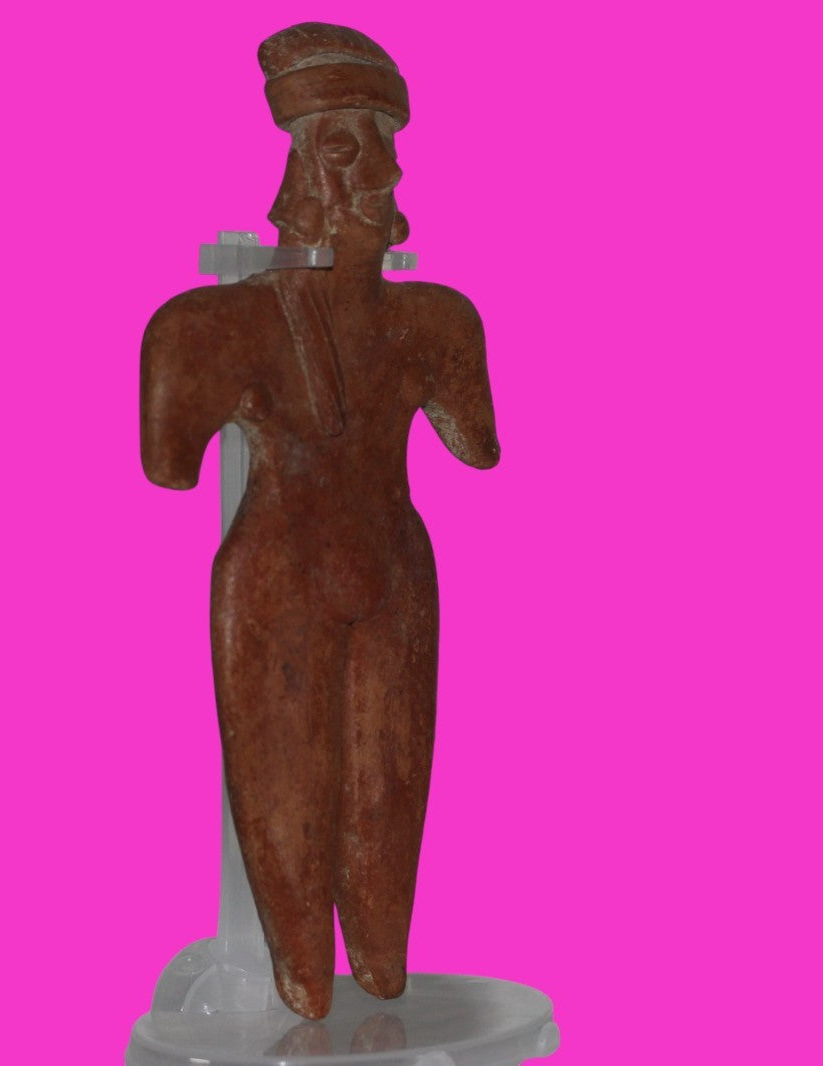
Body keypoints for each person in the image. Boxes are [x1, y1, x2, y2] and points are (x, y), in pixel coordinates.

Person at [140, 22, 499, 1021]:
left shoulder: (436, 321)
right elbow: (169, 462)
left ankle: (373, 972)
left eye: (386, 142)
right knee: (291, 864)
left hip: (393, 569)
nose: (382, 171)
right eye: (345, 145)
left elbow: (476, 443)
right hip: (279, 575)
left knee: (384, 875)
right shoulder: (211, 327)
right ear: (298, 164)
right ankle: (295, 981)